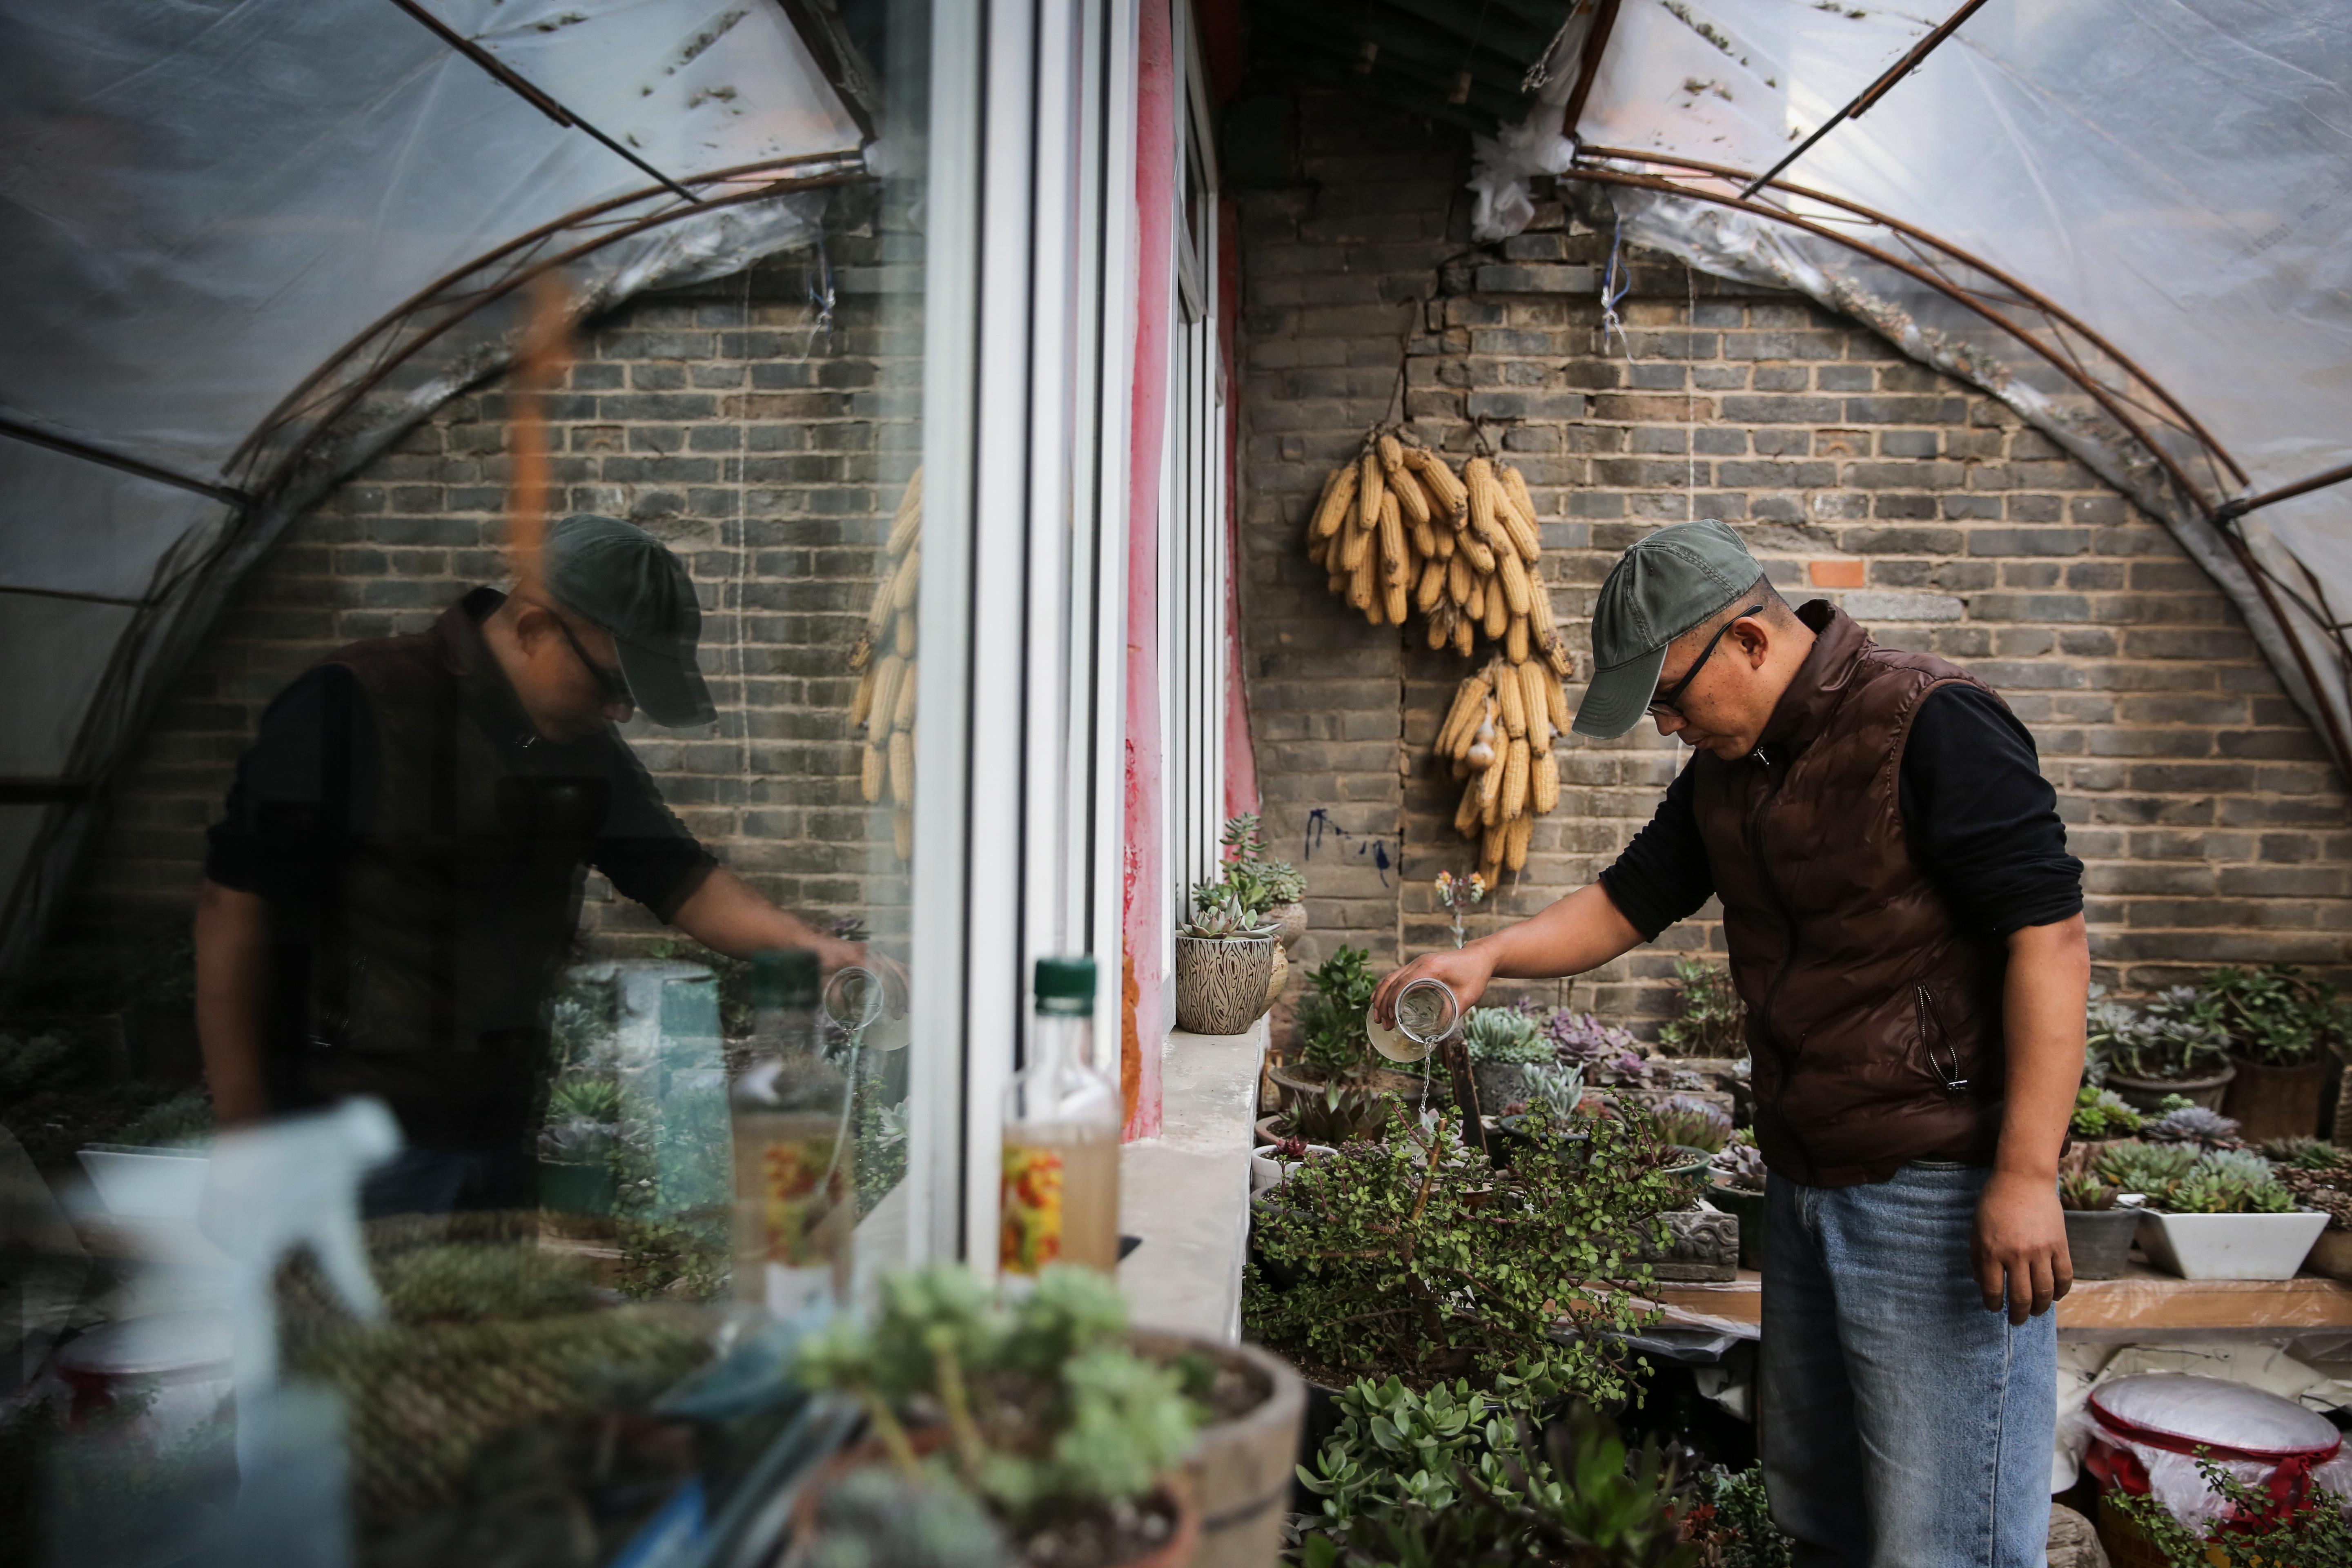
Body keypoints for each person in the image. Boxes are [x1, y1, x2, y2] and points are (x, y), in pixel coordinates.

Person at [1376, 519, 2088, 1566]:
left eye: (1670, 697)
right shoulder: (1736, 762)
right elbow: (1632, 897)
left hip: (1933, 1192)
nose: (1668, 726)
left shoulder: (1932, 722)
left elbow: (2050, 937)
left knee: (1947, 1542)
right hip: (1803, 1181)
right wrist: (1487, 958)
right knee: (1825, 1519)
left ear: (1750, 642)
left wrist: (2025, 1174)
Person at [194, 513, 875, 1217]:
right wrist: (243, 1133)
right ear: (533, 629)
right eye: (612, 683)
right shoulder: (358, 699)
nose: (620, 711)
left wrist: (812, 949)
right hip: (344, 1137)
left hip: (495, 1126)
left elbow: (677, 874)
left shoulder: (576, 743)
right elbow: (232, 908)